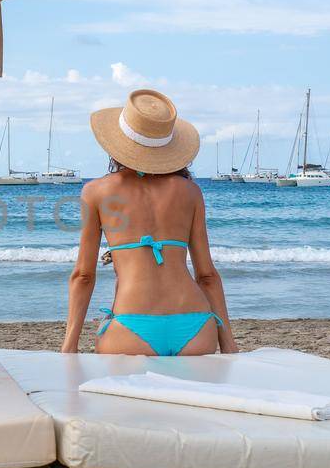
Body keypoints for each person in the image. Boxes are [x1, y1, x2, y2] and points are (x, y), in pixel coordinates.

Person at [62, 89, 238, 356]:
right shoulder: (190, 192)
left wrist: (69, 347)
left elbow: (83, 276)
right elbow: (207, 276)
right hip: (196, 326)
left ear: (118, 142)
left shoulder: (96, 192)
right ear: (169, 147)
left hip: (130, 328)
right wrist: (229, 346)